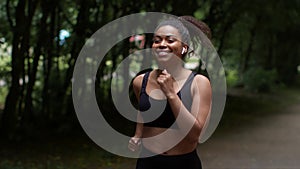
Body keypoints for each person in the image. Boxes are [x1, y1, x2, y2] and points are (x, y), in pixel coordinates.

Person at [128, 16, 212, 169]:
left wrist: (171, 94)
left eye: (170, 40)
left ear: (184, 47)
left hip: (183, 163)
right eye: (157, 40)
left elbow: (195, 136)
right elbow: (143, 108)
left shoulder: (199, 83)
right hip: (147, 163)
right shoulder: (140, 81)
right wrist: (137, 134)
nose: (162, 44)